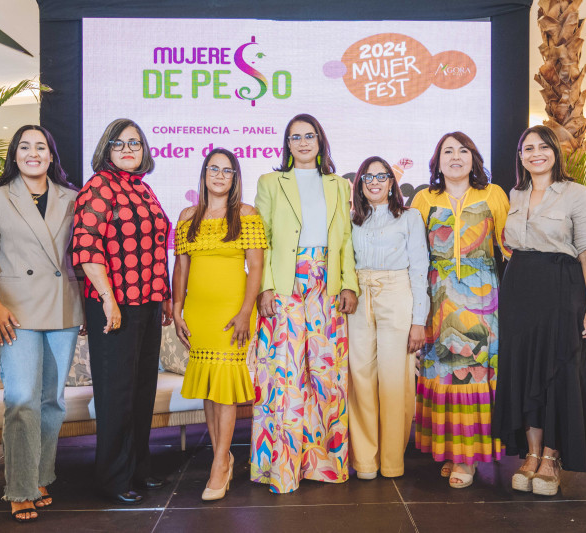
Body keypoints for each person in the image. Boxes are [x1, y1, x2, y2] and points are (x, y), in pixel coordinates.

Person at [0, 125, 82, 522]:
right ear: (14, 155)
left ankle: (40, 476)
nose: (33, 153)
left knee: (51, 400)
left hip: (63, 308)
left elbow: (82, 255)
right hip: (13, 310)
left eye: (41, 147)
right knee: (20, 400)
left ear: (52, 155)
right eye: (24, 147)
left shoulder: (73, 197)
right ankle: (19, 487)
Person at [492, 125, 586, 496]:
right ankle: (532, 453)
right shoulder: (516, 192)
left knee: (556, 369)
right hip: (519, 288)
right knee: (524, 369)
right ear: (520, 156)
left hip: (561, 288)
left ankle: (553, 457)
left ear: (555, 151)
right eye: (527, 148)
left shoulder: (577, 194)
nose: (535, 153)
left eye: (542, 147)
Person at [251, 113, 358, 494]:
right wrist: (263, 287)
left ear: (320, 140)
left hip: (326, 286)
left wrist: (349, 284)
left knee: (327, 378)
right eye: (295, 137)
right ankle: (281, 468)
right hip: (283, 286)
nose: (303, 142)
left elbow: (343, 238)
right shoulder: (269, 182)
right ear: (287, 144)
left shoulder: (338, 184)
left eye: (309, 135)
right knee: (286, 378)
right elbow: (259, 239)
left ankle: (324, 464)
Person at [72, 118, 173, 505]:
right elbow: (86, 248)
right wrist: (108, 300)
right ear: (106, 150)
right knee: (117, 394)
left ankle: (138, 469)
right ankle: (113, 479)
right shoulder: (99, 188)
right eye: (119, 143)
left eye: (135, 142)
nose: (128, 149)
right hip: (114, 307)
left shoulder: (143, 190)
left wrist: (162, 296)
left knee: (142, 390)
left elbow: (155, 250)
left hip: (146, 304)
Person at [411, 132, 511, 489]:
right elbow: (413, 252)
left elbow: (510, 246)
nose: (455, 157)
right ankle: (454, 449)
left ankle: (468, 460)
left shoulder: (493, 194)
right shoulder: (424, 198)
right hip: (437, 296)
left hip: (481, 298)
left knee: (472, 369)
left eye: (463, 151)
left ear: (474, 158)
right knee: (443, 373)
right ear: (437, 161)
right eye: (447, 151)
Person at [172, 148, 266, 501]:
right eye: (214, 169)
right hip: (198, 312)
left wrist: (246, 311)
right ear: (204, 173)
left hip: (232, 312)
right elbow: (181, 267)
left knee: (225, 386)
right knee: (210, 389)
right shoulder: (187, 216)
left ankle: (219, 468)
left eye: (228, 171)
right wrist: (178, 308)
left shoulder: (246, 214)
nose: (220, 176)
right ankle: (221, 455)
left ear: (235, 178)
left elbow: (255, 267)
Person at [348, 156, 429, 480]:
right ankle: (366, 461)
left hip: (397, 293)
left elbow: (420, 268)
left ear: (392, 182)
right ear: (360, 184)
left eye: (382, 176)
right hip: (359, 296)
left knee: (396, 380)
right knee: (361, 377)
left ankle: (393, 461)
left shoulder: (410, 217)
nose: (375, 182)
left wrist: (418, 320)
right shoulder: (352, 219)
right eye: (368, 177)